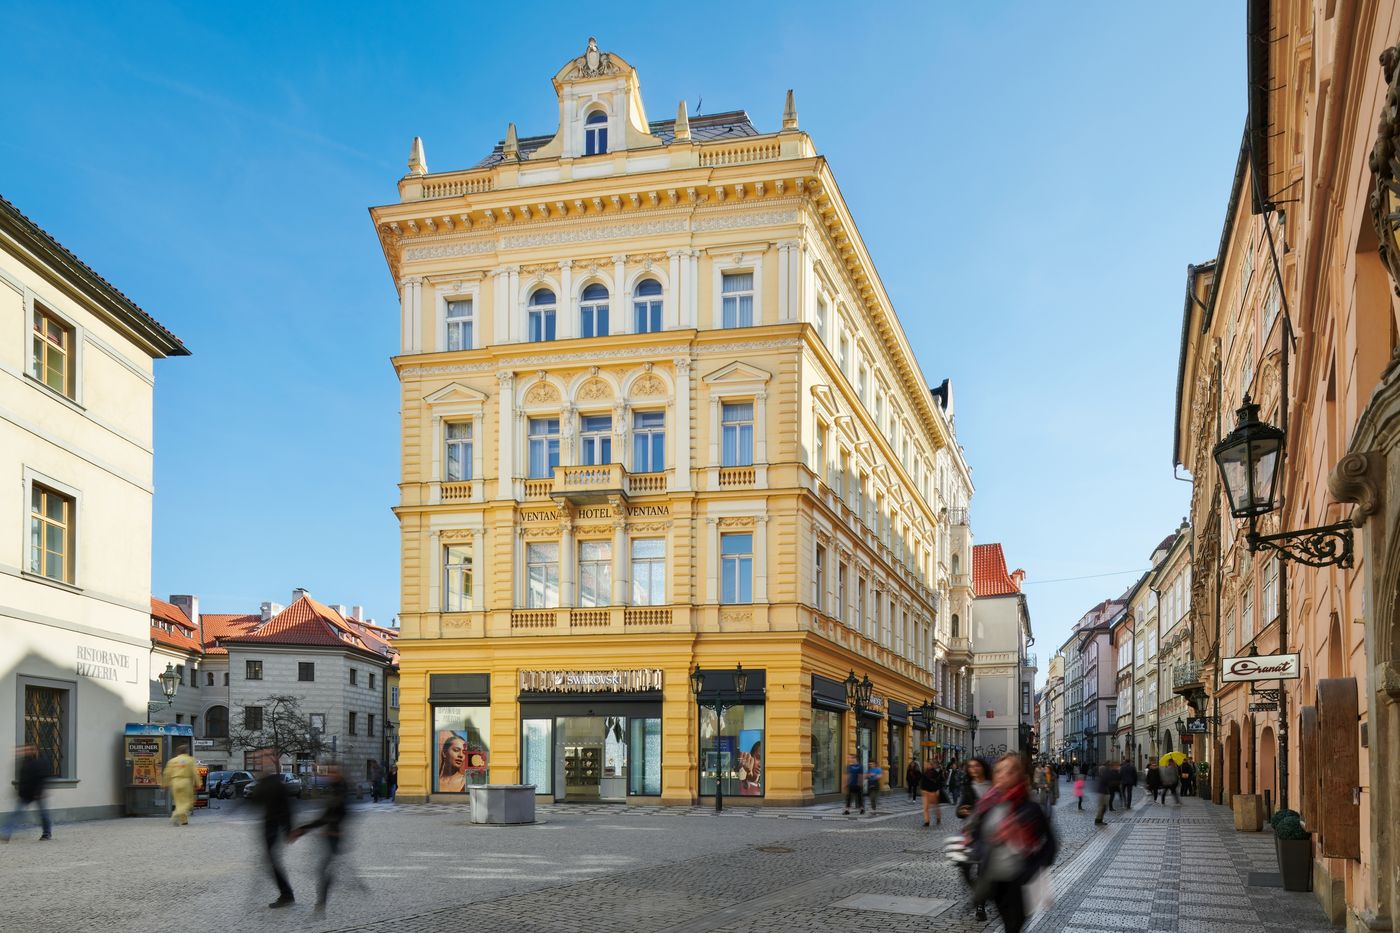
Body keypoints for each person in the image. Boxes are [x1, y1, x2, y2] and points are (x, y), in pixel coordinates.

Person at [963, 754, 1057, 932]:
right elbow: (977, 837)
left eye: (1009, 771)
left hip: (1019, 883)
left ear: (1018, 775)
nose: (1002, 775)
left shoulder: (1031, 808)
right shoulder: (988, 805)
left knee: (1013, 925)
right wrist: (968, 851)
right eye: (999, 771)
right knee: (1008, 923)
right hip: (994, 880)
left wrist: (1032, 870)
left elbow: (1050, 844)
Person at [291, 764, 351, 915]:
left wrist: (304, 829)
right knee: (327, 868)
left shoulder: (340, 792)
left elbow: (336, 814)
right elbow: (329, 815)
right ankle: (322, 901)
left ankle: (321, 903)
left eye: (331, 773)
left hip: (333, 836)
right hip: (330, 834)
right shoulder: (335, 789)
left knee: (324, 869)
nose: (328, 776)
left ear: (337, 774)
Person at [248, 755, 296, 908]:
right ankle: (286, 893)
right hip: (269, 826)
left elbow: (287, 808)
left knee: (271, 861)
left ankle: (287, 894)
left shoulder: (277, 784)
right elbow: (255, 800)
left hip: (273, 826)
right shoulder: (267, 783)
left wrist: (288, 829)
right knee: (270, 860)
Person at [1, 745, 51, 842]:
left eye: (28, 750)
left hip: (38, 794)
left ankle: (47, 833)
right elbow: (23, 778)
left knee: (43, 814)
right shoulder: (24, 761)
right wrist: (19, 792)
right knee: (15, 814)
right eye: (25, 750)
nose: (26, 751)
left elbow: (42, 779)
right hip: (25, 794)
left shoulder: (41, 761)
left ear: (35, 750)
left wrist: (39, 792)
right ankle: (6, 833)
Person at [160, 744, 199, 826]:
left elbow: (167, 773)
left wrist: (164, 784)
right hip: (186, 782)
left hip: (174, 782)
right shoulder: (190, 760)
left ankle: (183, 821)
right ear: (187, 751)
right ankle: (175, 815)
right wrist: (198, 783)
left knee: (179, 802)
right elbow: (195, 773)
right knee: (188, 802)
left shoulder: (172, 761)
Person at [920, 758, 946, 827]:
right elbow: (922, 782)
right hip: (925, 792)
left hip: (933, 792)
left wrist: (937, 790)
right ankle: (927, 821)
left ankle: (938, 817)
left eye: (927, 764)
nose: (926, 765)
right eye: (925, 764)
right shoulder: (925, 772)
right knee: (925, 808)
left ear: (931, 765)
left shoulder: (935, 773)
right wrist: (922, 790)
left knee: (935, 807)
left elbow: (939, 783)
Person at [1094, 760, 1119, 824]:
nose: (1117, 767)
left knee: (1104, 807)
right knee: (1102, 807)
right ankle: (1098, 820)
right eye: (1116, 766)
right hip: (1102, 791)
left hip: (1105, 791)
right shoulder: (1107, 771)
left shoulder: (1109, 771)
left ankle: (1100, 820)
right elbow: (1107, 780)